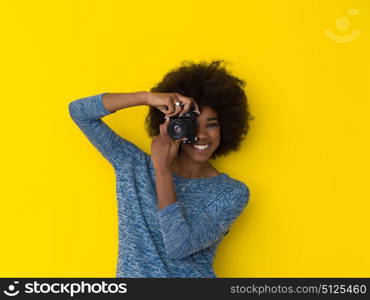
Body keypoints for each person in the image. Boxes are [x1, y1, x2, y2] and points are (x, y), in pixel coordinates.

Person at [68, 59, 254, 278]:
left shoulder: (231, 193)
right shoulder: (133, 166)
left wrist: (162, 170)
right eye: (193, 124)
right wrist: (146, 98)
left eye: (211, 124)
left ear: (226, 128)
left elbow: (178, 246)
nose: (202, 135)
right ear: (174, 125)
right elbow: (80, 113)